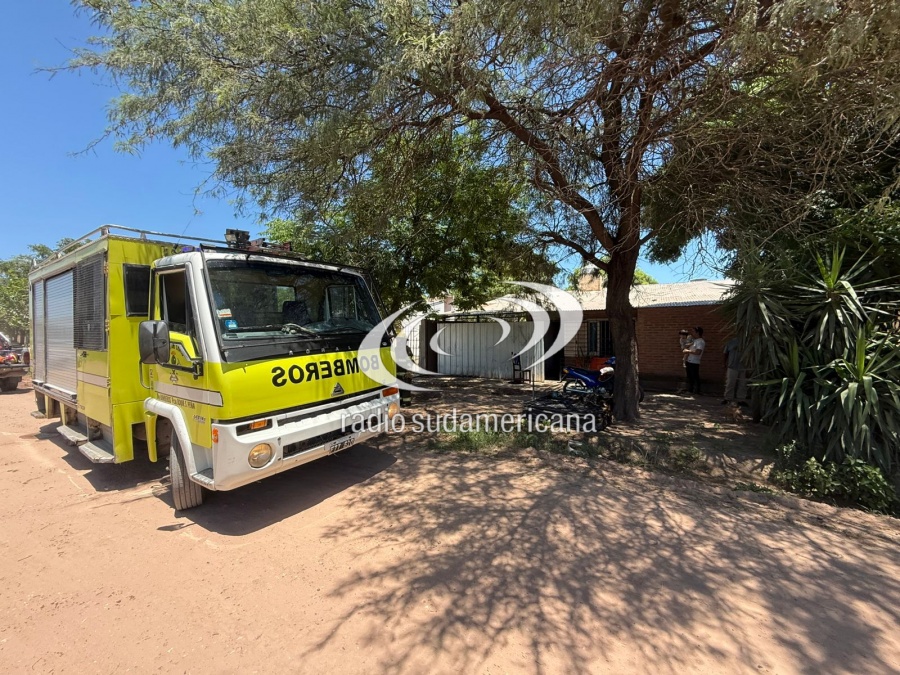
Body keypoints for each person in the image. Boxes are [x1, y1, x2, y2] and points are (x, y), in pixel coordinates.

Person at [722, 337, 748, 404]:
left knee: (742, 384)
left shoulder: (747, 342)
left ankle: (741, 399)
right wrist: (724, 363)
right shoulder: (730, 342)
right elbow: (725, 353)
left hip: (743, 366)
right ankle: (728, 398)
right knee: (730, 383)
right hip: (732, 366)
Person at [682, 326, 705, 394]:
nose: (692, 333)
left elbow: (698, 352)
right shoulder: (695, 341)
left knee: (694, 376)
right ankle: (690, 389)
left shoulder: (700, 342)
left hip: (694, 362)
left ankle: (696, 390)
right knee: (690, 376)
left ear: (697, 332)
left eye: (693, 332)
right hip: (689, 360)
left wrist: (688, 351)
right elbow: (687, 345)